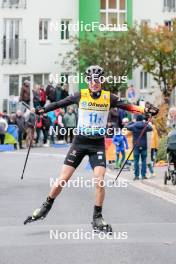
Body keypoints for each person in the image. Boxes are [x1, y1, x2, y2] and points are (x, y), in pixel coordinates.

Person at [24, 65, 159, 232]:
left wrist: (145, 110)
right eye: (91, 80)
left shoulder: (109, 97)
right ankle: (45, 206)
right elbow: (60, 103)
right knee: (63, 179)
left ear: (102, 81)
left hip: (97, 145)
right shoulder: (81, 95)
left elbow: (128, 106)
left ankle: (97, 217)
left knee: (100, 180)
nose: (95, 83)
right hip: (80, 143)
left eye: (98, 80)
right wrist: (42, 109)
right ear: (87, 81)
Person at [126, 115, 153, 180]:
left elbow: (126, 127)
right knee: (144, 160)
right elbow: (151, 128)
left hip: (136, 145)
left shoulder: (134, 125)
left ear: (136, 119)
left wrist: (132, 122)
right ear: (142, 119)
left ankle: (136, 176)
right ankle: (143, 175)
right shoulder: (144, 125)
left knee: (136, 161)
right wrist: (145, 122)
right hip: (144, 145)